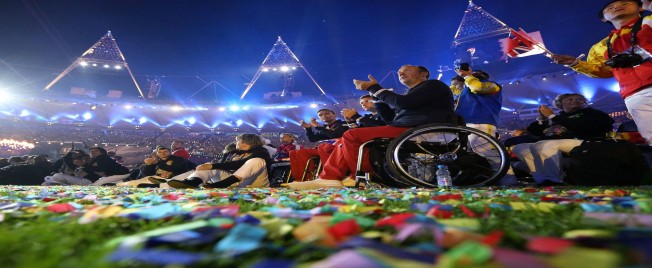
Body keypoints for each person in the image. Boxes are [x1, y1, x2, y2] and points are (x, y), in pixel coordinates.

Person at [286, 64, 455, 189]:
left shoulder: (433, 85)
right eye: (399, 72)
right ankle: (330, 177)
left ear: (423, 73)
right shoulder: (412, 94)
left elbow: (404, 103)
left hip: (423, 129)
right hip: (408, 129)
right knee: (342, 141)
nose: (401, 73)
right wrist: (377, 98)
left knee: (352, 136)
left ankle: (361, 177)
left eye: (407, 70)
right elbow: (391, 119)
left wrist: (375, 88)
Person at [551, 0, 652, 144]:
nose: (617, 6)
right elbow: (603, 71)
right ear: (604, 18)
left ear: (640, 8)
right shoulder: (601, 46)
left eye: (625, 3)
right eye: (610, 7)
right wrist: (575, 63)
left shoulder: (648, 22)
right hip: (634, 94)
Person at [511, 93, 615, 184]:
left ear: (584, 102)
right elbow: (535, 132)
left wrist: (552, 117)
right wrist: (542, 119)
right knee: (520, 148)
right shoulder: (560, 117)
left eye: (579, 99)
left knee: (545, 145)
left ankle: (553, 180)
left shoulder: (592, 113)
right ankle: (540, 178)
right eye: (569, 99)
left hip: (585, 141)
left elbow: (583, 126)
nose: (575, 101)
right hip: (559, 143)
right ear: (560, 104)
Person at [165, 134, 272, 188]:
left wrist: (213, 166)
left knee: (256, 160)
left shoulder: (261, 151)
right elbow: (221, 165)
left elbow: (240, 164)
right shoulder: (233, 152)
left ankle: (219, 185)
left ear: (244, 142)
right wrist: (210, 166)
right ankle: (190, 182)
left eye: (237, 141)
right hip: (233, 181)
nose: (236, 143)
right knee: (208, 166)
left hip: (254, 182)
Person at [288, 109, 348, 181]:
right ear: (319, 118)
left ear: (335, 115)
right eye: (321, 115)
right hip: (325, 149)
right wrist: (308, 128)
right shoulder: (325, 128)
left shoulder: (343, 124)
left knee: (324, 147)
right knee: (295, 152)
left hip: (339, 149)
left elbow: (334, 134)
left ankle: (330, 176)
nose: (324, 115)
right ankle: (301, 179)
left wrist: (317, 126)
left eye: (327, 113)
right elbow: (313, 139)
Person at [450, 69, 502, 138]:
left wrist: (467, 76)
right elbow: (454, 91)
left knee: (482, 149)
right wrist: (455, 83)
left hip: (481, 123)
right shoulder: (466, 91)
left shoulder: (493, 85)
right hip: (463, 125)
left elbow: (478, 87)